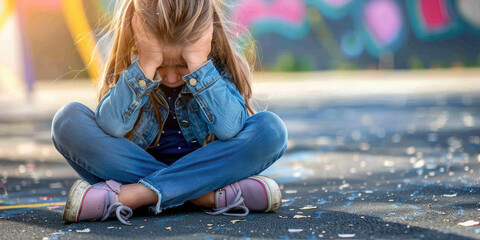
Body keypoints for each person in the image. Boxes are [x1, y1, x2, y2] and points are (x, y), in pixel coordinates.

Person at [51, 0, 288, 225]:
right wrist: (145, 66)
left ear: (208, 41)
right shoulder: (134, 67)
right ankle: (205, 195)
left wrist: (199, 66)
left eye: (183, 65)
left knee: (271, 130)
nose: (172, 77)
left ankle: (134, 196)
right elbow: (112, 126)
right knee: (66, 122)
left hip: (196, 167)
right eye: (161, 65)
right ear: (138, 43)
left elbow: (229, 128)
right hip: (157, 170)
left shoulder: (215, 68)